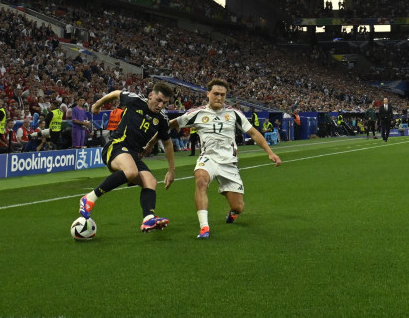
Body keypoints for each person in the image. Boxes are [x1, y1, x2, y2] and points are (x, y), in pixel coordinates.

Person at [172, 79, 282, 239]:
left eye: (222, 95)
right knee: (201, 181)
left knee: (238, 207)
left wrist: (270, 152)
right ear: (208, 94)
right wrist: (150, 141)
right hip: (208, 159)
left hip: (229, 164)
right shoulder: (198, 113)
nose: (219, 97)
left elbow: (252, 132)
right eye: (216, 94)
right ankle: (204, 228)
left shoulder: (234, 114)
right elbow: (171, 124)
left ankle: (233, 213)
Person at [77, 83, 176, 233]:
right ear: (151, 95)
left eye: (165, 103)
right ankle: (89, 198)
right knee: (131, 172)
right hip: (116, 145)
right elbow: (115, 93)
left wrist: (171, 170)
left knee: (151, 182)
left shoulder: (161, 119)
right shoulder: (135, 100)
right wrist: (97, 105)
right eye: (158, 100)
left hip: (134, 155)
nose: (160, 105)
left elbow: (167, 144)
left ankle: (148, 219)